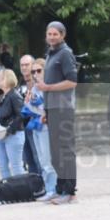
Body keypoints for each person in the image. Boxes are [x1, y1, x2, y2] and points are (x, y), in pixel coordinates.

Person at [37, 21, 78, 204]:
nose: (52, 37)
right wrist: (46, 110)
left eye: (55, 34)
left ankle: (70, 192)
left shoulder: (66, 54)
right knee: (55, 152)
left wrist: (48, 87)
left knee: (65, 150)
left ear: (63, 35)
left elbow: (72, 82)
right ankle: (60, 189)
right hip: (52, 108)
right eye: (49, 34)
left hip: (63, 108)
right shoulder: (50, 54)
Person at [24, 59, 58, 201]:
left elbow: (50, 108)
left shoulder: (49, 87)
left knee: (48, 160)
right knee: (42, 161)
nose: (36, 74)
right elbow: (33, 110)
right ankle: (48, 188)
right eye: (33, 71)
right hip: (37, 126)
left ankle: (53, 189)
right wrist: (28, 104)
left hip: (46, 127)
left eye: (39, 70)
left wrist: (41, 111)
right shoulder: (35, 88)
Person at [0, 69, 26, 179]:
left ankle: (21, 192)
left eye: (0, 78)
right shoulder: (2, 95)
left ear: (6, 79)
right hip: (1, 135)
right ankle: (7, 191)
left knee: (16, 166)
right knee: (2, 166)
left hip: (13, 135)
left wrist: (10, 129)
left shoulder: (14, 95)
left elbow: (22, 114)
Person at [17, 55, 42, 176]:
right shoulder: (19, 84)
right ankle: (35, 185)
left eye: (27, 65)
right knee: (29, 159)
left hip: (37, 124)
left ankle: (46, 185)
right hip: (23, 126)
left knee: (39, 158)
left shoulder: (39, 83)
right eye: (22, 65)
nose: (24, 67)